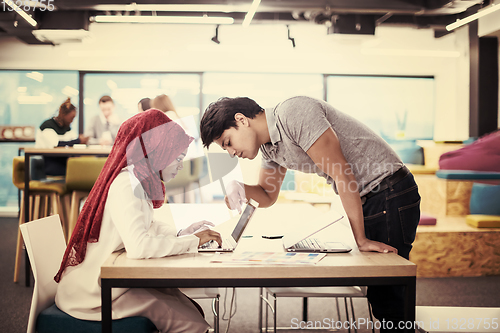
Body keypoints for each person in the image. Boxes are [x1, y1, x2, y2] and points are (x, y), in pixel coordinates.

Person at [200, 96, 421, 332]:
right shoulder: (269, 148)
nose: (232, 153)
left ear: (241, 120)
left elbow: (342, 174)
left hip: (389, 191)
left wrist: (361, 240)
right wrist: (240, 187)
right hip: (371, 197)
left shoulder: (294, 113)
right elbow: (267, 195)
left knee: (389, 298)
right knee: (384, 297)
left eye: (228, 142)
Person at [55, 109, 221, 332]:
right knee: (192, 322)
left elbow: (147, 226)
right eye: (178, 158)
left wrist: (183, 233)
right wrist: (193, 242)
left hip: (110, 277)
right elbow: (139, 246)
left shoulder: (138, 178)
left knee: (188, 308)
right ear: (158, 151)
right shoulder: (126, 184)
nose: (181, 165)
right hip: (92, 293)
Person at [35, 98, 89, 176]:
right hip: (47, 162)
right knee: (78, 172)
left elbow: (72, 141)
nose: (72, 121)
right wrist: (78, 140)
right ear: (63, 115)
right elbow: (56, 145)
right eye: (71, 118)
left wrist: (79, 141)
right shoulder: (47, 126)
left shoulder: (67, 128)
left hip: (62, 160)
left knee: (83, 168)